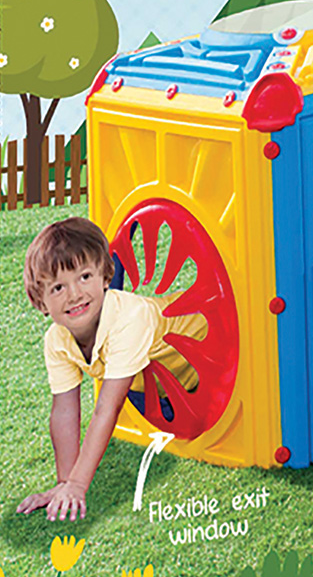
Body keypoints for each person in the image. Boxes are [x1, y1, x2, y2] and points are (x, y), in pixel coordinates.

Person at [16, 216, 201, 522]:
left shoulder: (130, 317)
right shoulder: (57, 340)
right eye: (58, 287)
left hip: (208, 341)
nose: (75, 294)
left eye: (85, 277)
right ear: (40, 302)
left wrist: (78, 485)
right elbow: (64, 410)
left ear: (105, 276)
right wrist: (65, 483)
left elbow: (107, 408)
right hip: (175, 388)